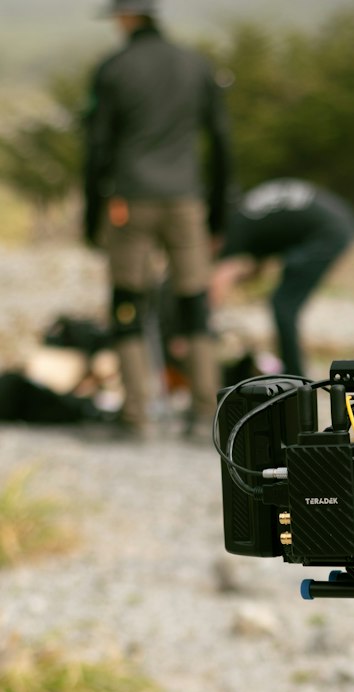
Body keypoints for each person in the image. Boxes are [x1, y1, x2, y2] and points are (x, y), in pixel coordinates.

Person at [82, 0, 231, 438]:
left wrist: (93, 214)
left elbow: (97, 149)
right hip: (187, 199)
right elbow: (221, 142)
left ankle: (136, 415)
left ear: (126, 17)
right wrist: (219, 213)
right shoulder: (196, 64)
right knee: (195, 302)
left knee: (127, 302)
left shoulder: (113, 68)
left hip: (131, 200)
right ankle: (206, 411)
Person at [211, 180, 354, 377]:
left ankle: (295, 377)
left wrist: (203, 322)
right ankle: (292, 372)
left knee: (283, 305)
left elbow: (219, 281)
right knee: (283, 303)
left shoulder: (234, 230)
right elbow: (258, 265)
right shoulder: (248, 215)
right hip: (339, 219)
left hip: (327, 232)